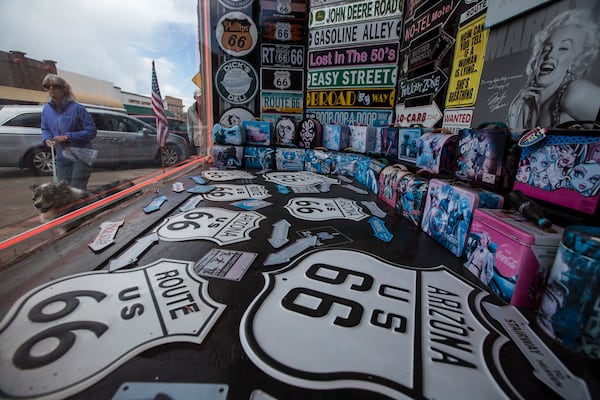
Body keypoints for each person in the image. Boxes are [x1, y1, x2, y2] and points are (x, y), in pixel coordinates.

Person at [508, 9, 600, 129]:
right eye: (546, 48)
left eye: (563, 48)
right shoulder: (528, 106)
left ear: (577, 60)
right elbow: (516, 144)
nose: (550, 54)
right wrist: (514, 110)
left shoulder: (575, 93)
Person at [40, 74, 97, 191]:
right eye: (47, 86)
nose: (51, 89)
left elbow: (91, 131)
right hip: (61, 156)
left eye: (55, 86)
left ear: (64, 88)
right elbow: (45, 128)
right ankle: (69, 209)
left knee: (77, 189)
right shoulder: (46, 109)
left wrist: (67, 137)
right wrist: (46, 139)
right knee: (62, 189)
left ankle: (81, 208)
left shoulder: (78, 109)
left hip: (81, 155)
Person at [187, 89, 206, 156]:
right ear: (195, 97)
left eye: (201, 96)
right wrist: (190, 139)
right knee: (200, 158)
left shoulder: (207, 107)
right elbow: (189, 125)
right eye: (197, 97)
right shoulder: (190, 109)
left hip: (208, 138)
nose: (199, 98)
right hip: (198, 139)